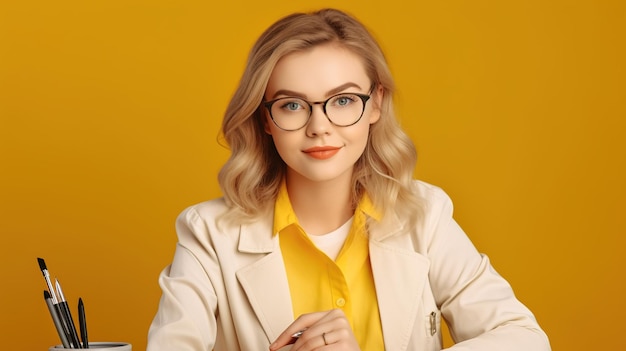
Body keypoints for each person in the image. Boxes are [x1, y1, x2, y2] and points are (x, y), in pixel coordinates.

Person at [146, 8, 551, 351]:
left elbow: (524, 339)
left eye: (342, 100)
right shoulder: (207, 234)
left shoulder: (425, 216)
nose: (319, 127)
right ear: (265, 118)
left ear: (375, 104)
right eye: (292, 105)